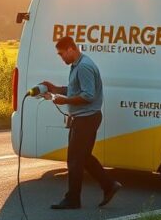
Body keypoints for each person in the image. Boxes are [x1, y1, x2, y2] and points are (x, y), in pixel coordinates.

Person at [41, 36, 122, 209]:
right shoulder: (77, 65)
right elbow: (74, 90)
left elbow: (88, 95)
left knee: (75, 159)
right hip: (85, 118)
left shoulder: (84, 66)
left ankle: (73, 199)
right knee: (83, 157)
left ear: (71, 49)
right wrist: (54, 89)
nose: (61, 57)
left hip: (86, 119)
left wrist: (65, 101)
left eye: (62, 54)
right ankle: (109, 185)